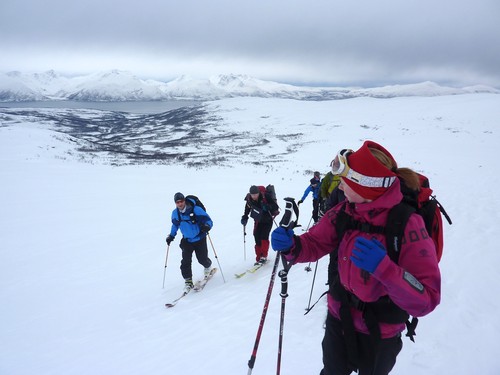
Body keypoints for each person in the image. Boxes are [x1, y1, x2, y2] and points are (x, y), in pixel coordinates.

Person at [271, 141, 441, 375]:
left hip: (380, 331)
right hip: (339, 317)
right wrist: (293, 245)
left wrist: (385, 270)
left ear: (365, 186)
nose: (340, 185)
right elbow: (315, 243)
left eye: (346, 181)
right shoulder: (344, 211)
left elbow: (428, 298)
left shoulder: (408, 225)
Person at [166, 192, 214, 292]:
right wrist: (171, 235)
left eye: (181, 201)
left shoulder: (195, 209)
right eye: (177, 202)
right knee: (185, 261)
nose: (180, 204)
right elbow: (175, 225)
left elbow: (208, 220)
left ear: (184, 200)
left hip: (200, 238)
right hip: (187, 240)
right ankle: (188, 281)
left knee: (202, 259)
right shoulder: (175, 213)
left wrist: (207, 226)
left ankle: (208, 266)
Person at [241, 185, 280, 265]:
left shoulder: (265, 196)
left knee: (264, 237)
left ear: (259, 193)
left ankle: (264, 256)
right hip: (258, 221)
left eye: (256, 194)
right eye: (253, 195)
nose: (254, 196)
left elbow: (275, 206)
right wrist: (245, 218)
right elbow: (247, 209)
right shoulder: (249, 199)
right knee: (256, 237)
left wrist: (268, 207)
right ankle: (259, 257)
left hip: (268, 220)